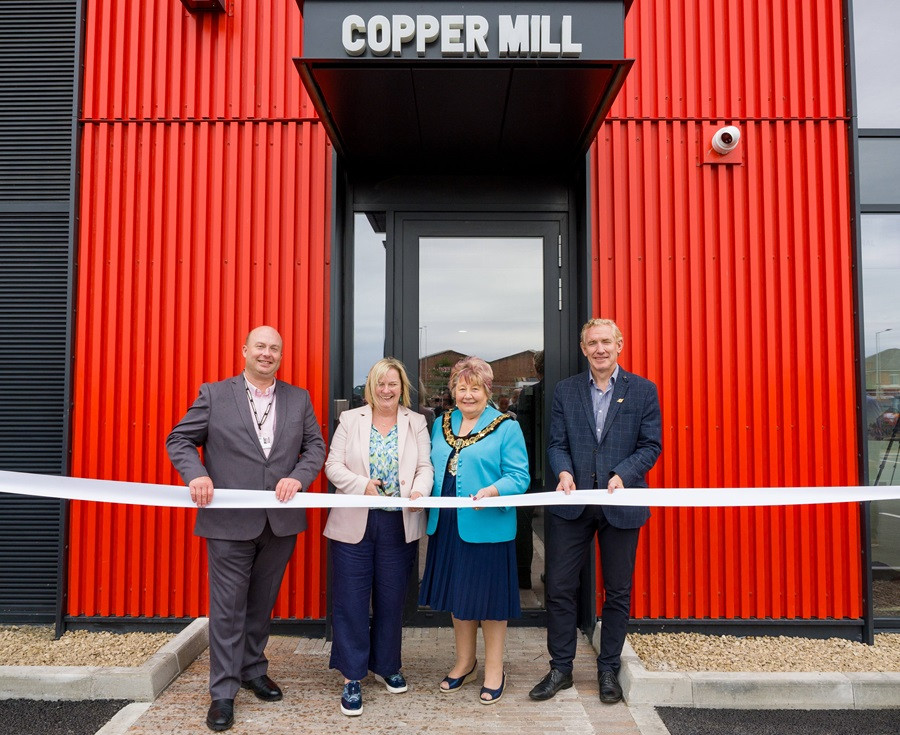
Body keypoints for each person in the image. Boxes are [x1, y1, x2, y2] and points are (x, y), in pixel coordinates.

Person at [166, 326, 326, 732]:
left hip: (280, 519)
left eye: (274, 348)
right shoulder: (215, 395)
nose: (267, 353)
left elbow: (316, 448)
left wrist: (298, 477)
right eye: (260, 346)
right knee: (227, 609)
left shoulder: (298, 398)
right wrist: (196, 475)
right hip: (228, 522)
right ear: (245, 351)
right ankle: (222, 692)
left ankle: (254, 669)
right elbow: (180, 440)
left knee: (260, 604)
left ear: (281, 355)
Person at [529, 319, 661, 705]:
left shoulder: (643, 391)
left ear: (620, 344)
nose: (600, 348)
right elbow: (555, 444)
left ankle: (608, 669)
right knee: (559, 586)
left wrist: (624, 473)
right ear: (583, 349)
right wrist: (564, 471)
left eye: (606, 342)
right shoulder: (565, 391)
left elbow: (650, 445)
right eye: (592, 343)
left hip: (622, 501)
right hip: (574, 504)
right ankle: (561, 669)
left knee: (617, 590)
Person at [323, 357, 434, 716]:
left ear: (403, 387)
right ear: (370, 387)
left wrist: (419, 492)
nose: (387, 390)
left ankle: (388, 665)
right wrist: (362, 485)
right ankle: (352, 675)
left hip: (398, 524)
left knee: (391, 599)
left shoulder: (416, 421)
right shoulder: (349, 420)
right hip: (354, 520)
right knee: (351, 600)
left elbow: (424, 466)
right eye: (380, 384)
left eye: (393, 384)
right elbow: (333, 466)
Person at [418, 356, 530, 705]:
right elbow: (430, 466)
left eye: (475, 389)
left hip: (487, 523)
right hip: (448, 523)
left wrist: (493, 491)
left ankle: (495, 668)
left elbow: (519, 477)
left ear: (487, 391)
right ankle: (465, 662)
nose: (468, 395)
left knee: (491, 600)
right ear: (453, 391)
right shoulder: (441, 423)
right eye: (462, 388)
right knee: (459, 594)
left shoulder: (506, 426)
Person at [515, 350, 544, 589]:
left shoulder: (528, 394)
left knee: (523, 522)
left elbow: (523, 436)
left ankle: (523, 576)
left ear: (536, 369)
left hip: (529, 467)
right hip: (552, 471)